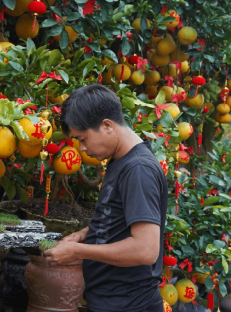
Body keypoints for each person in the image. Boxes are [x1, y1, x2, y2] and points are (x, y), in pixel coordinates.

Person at [44, 84, 168, 312]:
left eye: (83, 139)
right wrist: (84, 234)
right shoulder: (120, 161)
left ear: (107, 125)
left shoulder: (138, 169)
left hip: (130, 305)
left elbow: (145, 250)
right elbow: (117, 218)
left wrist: (77, 252)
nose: (81, 148)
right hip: (112, 301)